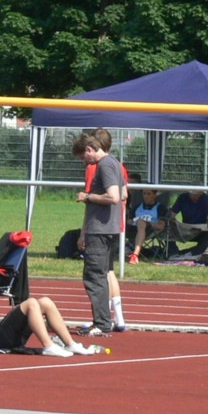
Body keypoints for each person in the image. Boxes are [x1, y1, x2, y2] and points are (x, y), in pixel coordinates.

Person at [76, 127, 127, 331]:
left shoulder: (104, 165)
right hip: (110, 227)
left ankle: (102, 323)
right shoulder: (115, 163)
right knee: (103, 275)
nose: (84, 162)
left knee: (94, 277)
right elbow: (123, 194)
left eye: (83, 157)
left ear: (89, 149)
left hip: (100, 230)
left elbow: (114, 197)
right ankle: (104, 320)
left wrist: (87, 196)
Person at [170, 188, 208, 255]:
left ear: (201, 193)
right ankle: (173, 252)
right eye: (191, 194)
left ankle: (192, 252)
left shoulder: (206, 199)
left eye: (195, 194)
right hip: (186, 230)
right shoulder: (182, 197)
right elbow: (172, 214)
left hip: (201, 231)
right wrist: (170, 221)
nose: (193, 196)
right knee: (167, 227)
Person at [128, 187, 167, 262]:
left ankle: (135, 255)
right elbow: (129, 221)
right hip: (133, 230)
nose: (146, 196)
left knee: (141, 222)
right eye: (144, 194)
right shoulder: (137, 207)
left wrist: (147, 223)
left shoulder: (160, 207)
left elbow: (161, 226)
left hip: (149, 230)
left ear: (155, 195)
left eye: (149, 194)